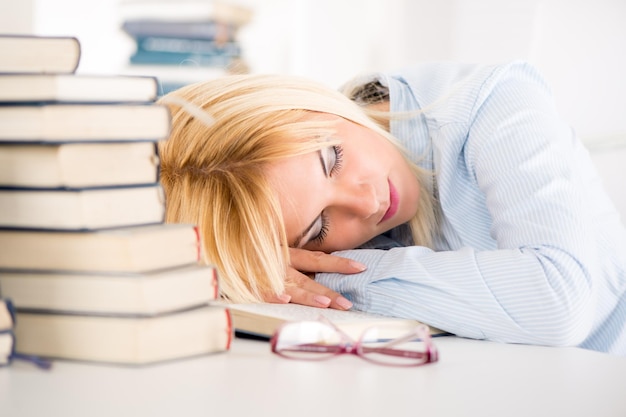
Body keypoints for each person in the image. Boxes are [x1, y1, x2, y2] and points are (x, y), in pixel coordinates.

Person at [157, 60, 626, 355]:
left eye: (331, 158)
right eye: (318, 230)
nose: (369, 202)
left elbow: (560, 302)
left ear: (307, 100)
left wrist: (323, 273)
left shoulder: (495, 100)